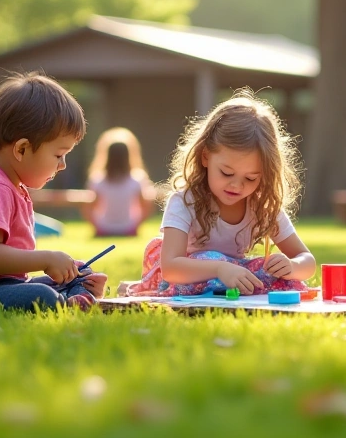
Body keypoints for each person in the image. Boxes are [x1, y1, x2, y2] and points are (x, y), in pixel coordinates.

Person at [0, 73, 105, 311]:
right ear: (22, 149)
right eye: (58, 155)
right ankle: (68, 302)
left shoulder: (11, 185)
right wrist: (46, 259)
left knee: (81, 273)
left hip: (1, 284)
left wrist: (66, 268)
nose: (62, 165)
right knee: (41, 296)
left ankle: (76, 294)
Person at [119, 90, 317, 297]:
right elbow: (171, 268)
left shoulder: (262, 207)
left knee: (273, 274)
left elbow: (307, 260)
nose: (237, 186)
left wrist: (292, 266)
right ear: (205, 157)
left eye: (251, 178)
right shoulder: (185, 201)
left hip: (232, 275)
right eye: (226, 173)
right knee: (211, 257)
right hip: (186, 277)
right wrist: (220, 269)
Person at [83, 128, 154, 237]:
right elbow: (146, 207)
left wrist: (98, 227)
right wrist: (135, 226)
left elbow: (88, 208)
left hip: (104, 227)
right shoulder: (137, 179)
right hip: (128, 227)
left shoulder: (98, 180)